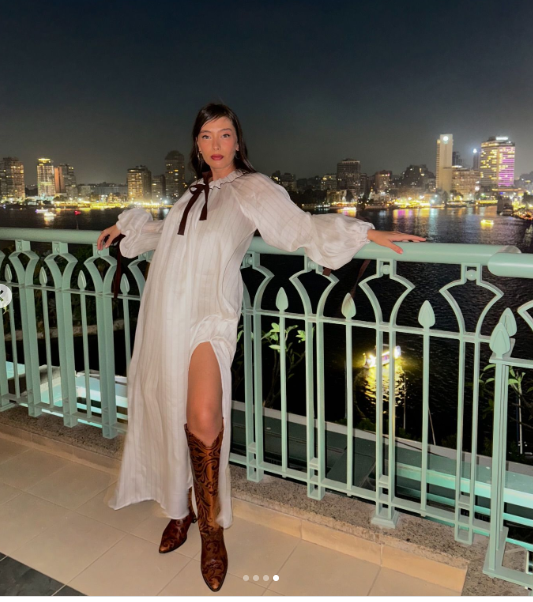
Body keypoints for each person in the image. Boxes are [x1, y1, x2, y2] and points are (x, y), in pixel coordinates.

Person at [98, 102, 426, 592]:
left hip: (210, 312)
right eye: (206, 136)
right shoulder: (190, 192)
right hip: (164, 310)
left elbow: (298, 228)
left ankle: (212, 529)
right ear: (196, 145)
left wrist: (367, 232)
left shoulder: (252, 187)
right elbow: (166, 235)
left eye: (224, 134)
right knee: (165, 406)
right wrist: (125, 229)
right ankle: (180, 508)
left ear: (238, 141)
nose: (215, 145)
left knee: (204, 417)